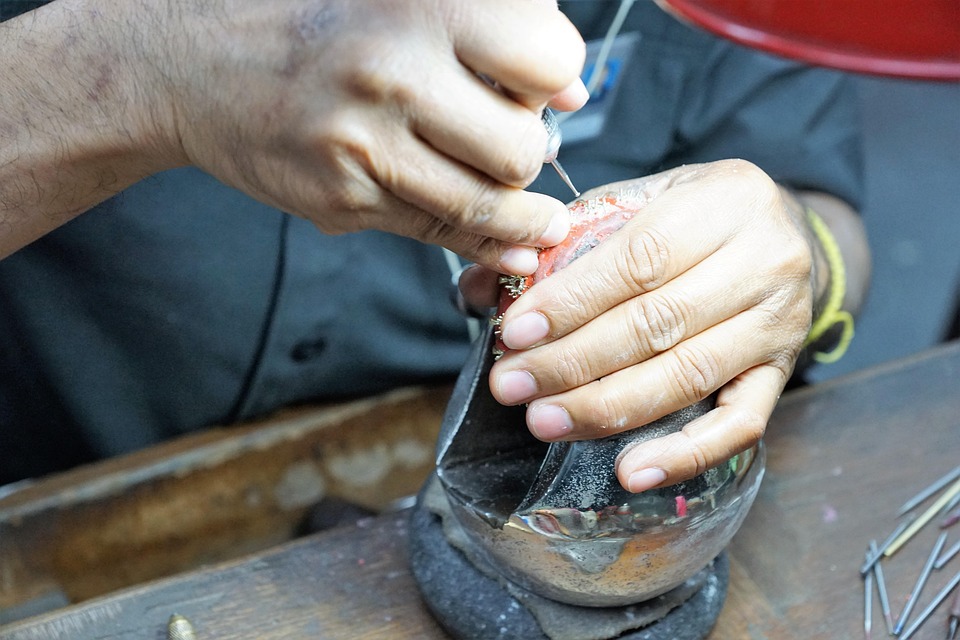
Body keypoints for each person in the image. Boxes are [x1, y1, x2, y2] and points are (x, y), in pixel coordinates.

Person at [0, 0, 870, 495]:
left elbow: (824, 212)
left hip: (496, 472)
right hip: (62, 494)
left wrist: (798, 257)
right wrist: (143, 67)